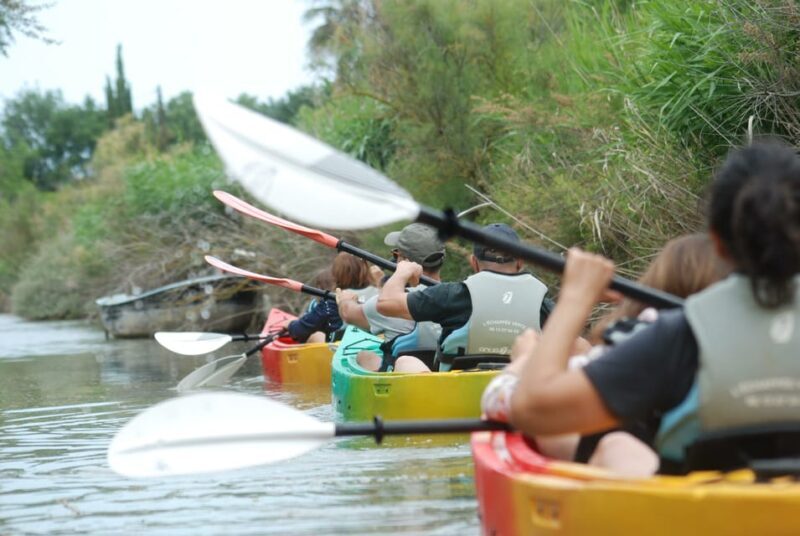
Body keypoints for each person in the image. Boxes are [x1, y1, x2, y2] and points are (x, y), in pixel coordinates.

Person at [509, 141, 800, 476]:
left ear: (716, 242)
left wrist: (575, 297)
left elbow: (532, 409)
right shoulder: (678, 334)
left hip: (705, 523)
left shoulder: (681, 336)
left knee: (616, 449)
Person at [481, 233, 731, 467]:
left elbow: (506, 402)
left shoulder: (645, 342)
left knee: (612, 445)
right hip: (721, 472)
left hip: (651, 482)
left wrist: (525, 361)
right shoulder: (744, 346)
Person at [377, 223, 558, 373]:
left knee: (405, 361)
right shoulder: (542, 304)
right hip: (517, 392)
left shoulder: (455, 295)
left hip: (455, 396)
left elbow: (386, 303)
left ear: (474, 262)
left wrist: (402, 270)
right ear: (520, 261)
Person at [337, 223, 447, 372]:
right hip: (446, 374)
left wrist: (345, 300)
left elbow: (349, 314)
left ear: (403, 261)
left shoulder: (390, 304)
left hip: (405, 383)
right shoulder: (456, 295)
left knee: (363, 356)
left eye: (396, 255)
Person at [286, 252, 378, 343]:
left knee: (317, 335)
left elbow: (300, 330)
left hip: (342, 348)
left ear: (336, 273)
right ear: (366, 269)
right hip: (376, 342)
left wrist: (289, 325)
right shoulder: (380, 292)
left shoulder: (332, 302)